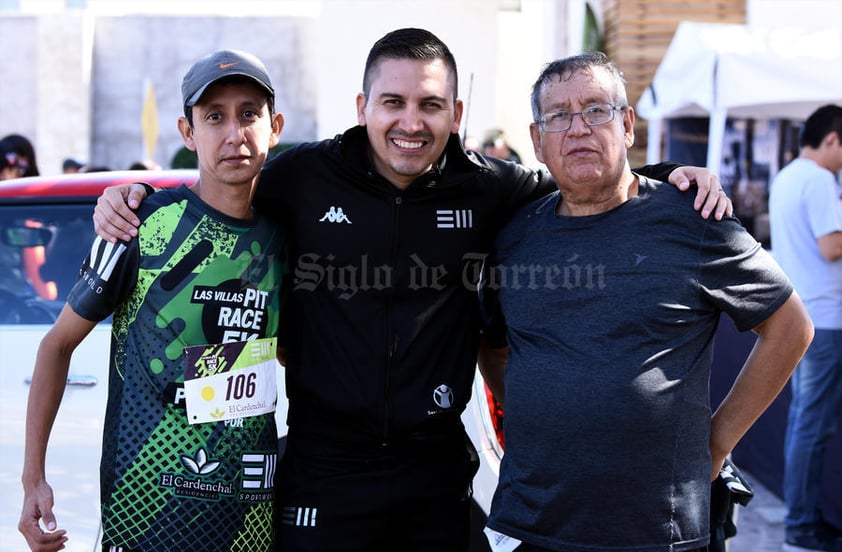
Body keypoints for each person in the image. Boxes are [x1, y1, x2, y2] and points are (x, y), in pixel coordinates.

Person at [92, 29, 732, 552]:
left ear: (456, 115)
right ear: (362, 107)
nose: (410, 122)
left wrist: (664, 175)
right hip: (325, 469)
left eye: (430, 105)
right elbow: (219, 193)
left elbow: (580, 177)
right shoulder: (303, 176)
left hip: (435, 474)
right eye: (392, 102)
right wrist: (132, 196)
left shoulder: (489, 185)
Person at [478, 52, 813, 552]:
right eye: (559, 116)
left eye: (596, 110)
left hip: (658, 529)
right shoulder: (512, 234)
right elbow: (494, 348)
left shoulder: (695, 219)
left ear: (628, 124)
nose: (578, 128)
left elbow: (790, 328)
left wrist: (717, 443)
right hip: (529, 523)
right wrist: (546, 416)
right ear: (537, 141)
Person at [19, 49, 286, 552]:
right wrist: (33, 479)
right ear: (188, 133)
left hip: (248, 525)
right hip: (143, 520)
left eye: (249, 113)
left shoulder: (286, 237)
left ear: (274, 126)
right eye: (214, 117)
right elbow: (56, 346)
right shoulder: (139, 225)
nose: (234, 133)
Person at [769, 104, 842, 552]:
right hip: (826, 318)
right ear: (832, 139)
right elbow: (831, 247)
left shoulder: (788, 175)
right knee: (811, 427)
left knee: (806, 424)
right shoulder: (816, 179)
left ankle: (802, 520)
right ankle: (801, 527)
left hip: (805, 314)